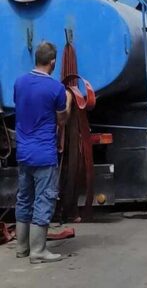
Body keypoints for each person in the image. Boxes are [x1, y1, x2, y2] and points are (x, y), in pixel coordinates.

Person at [14, 42, 72, 264]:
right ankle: (38, 250)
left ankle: (22, 248)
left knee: (24, 198)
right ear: (53, 62)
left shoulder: (19, 82)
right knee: (44, 199)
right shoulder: (55, 88)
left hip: (23, 153)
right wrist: (67, 99)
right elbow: (62, 119)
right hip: (44, 154)